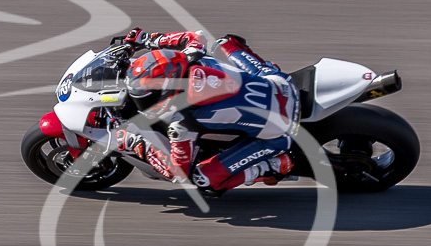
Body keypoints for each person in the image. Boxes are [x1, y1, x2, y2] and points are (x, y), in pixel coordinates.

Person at [103, 28, 300, 194]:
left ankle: (273, 166)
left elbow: (178, 173)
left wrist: (134, 142)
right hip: (281, 84)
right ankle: (252, 58)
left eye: (146, 97)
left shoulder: (183, 121)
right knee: (225, 43)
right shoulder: (192, 55)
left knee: (203, 180)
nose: (143, 101)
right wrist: (148, 39)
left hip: (280, 130)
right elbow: (196, 36)